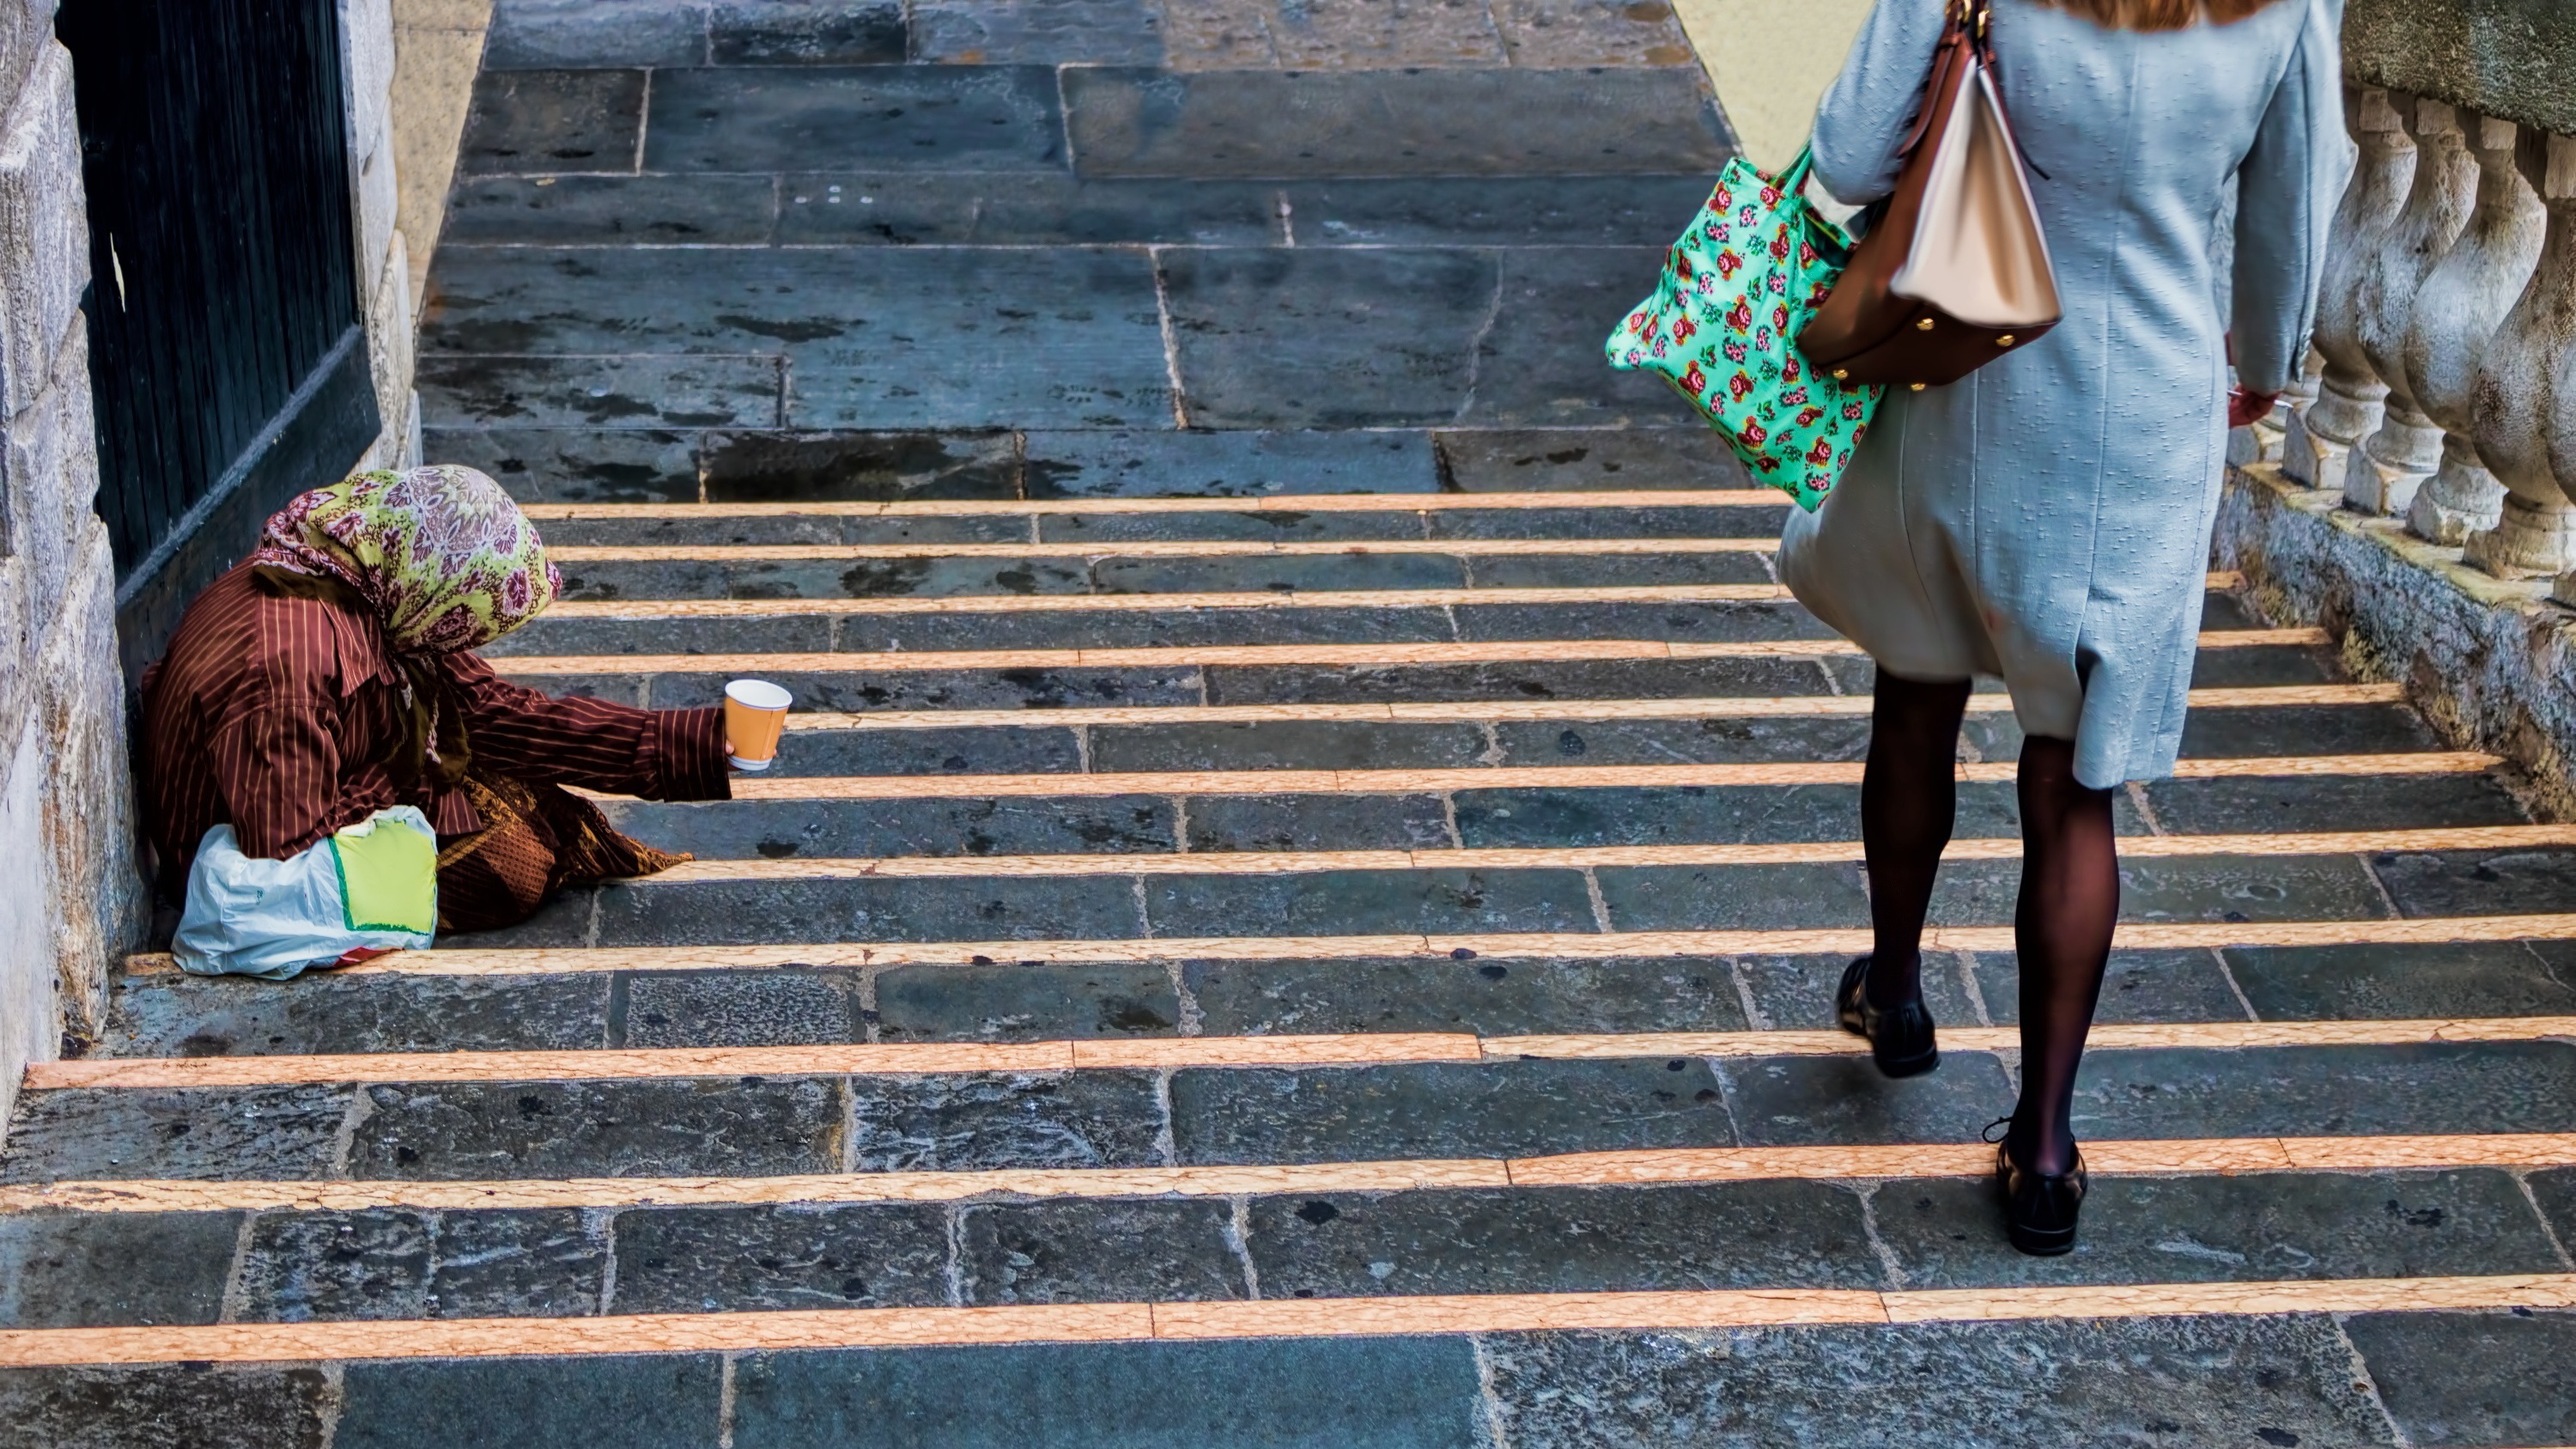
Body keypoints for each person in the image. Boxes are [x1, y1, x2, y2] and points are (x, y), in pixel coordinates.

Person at [1777, 0, 2342, 1253]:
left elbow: (1851, 150)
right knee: (2074, 783)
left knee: (1916, 684)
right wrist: (2261, 355)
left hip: (1967, 355)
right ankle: (2042, 1143)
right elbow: (2289, 211)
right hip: (2146, 397)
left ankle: (1900, 989)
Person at [141, 464, 729, 938]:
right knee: (514, 862)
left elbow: (496, 711)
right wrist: (398, 778)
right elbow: (288, 848)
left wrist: (695, 744)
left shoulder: (366, 570)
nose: (469, 644)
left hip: (329, 778)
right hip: (250, 863)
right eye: (467, 626)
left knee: (530, 801)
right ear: (440, 597)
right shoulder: (286, 666)